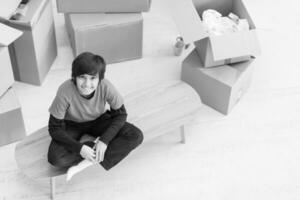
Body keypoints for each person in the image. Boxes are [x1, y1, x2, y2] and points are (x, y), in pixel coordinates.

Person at [47, 52, 143, 180]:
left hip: (99, 119)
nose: (87, 84)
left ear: (100, 79)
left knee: (135, 135)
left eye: (93, 78)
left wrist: (104, 141)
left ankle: (86, 162)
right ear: (74, 77)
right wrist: (80, 148)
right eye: (82, 77)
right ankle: (93, 150)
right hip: (72, 124)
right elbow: (54, 128)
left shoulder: (106, 86)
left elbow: (120, 114)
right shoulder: (65, 91)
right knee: (55, 159)